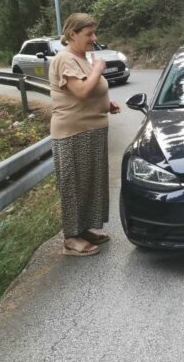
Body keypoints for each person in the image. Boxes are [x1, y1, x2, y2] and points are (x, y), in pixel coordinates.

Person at [49, 13, 120, 257]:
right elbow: (80, 91)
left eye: (94, 33)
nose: (94, 38)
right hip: (73, 133)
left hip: (91, 130)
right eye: (89, 34)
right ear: (73, 34)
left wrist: (107, 104)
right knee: (75, 186)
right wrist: (98, 70)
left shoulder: (82, 58)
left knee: (91, 183)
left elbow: (89, 92)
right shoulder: (65, 59)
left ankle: (83, 229)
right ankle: (71, 238)